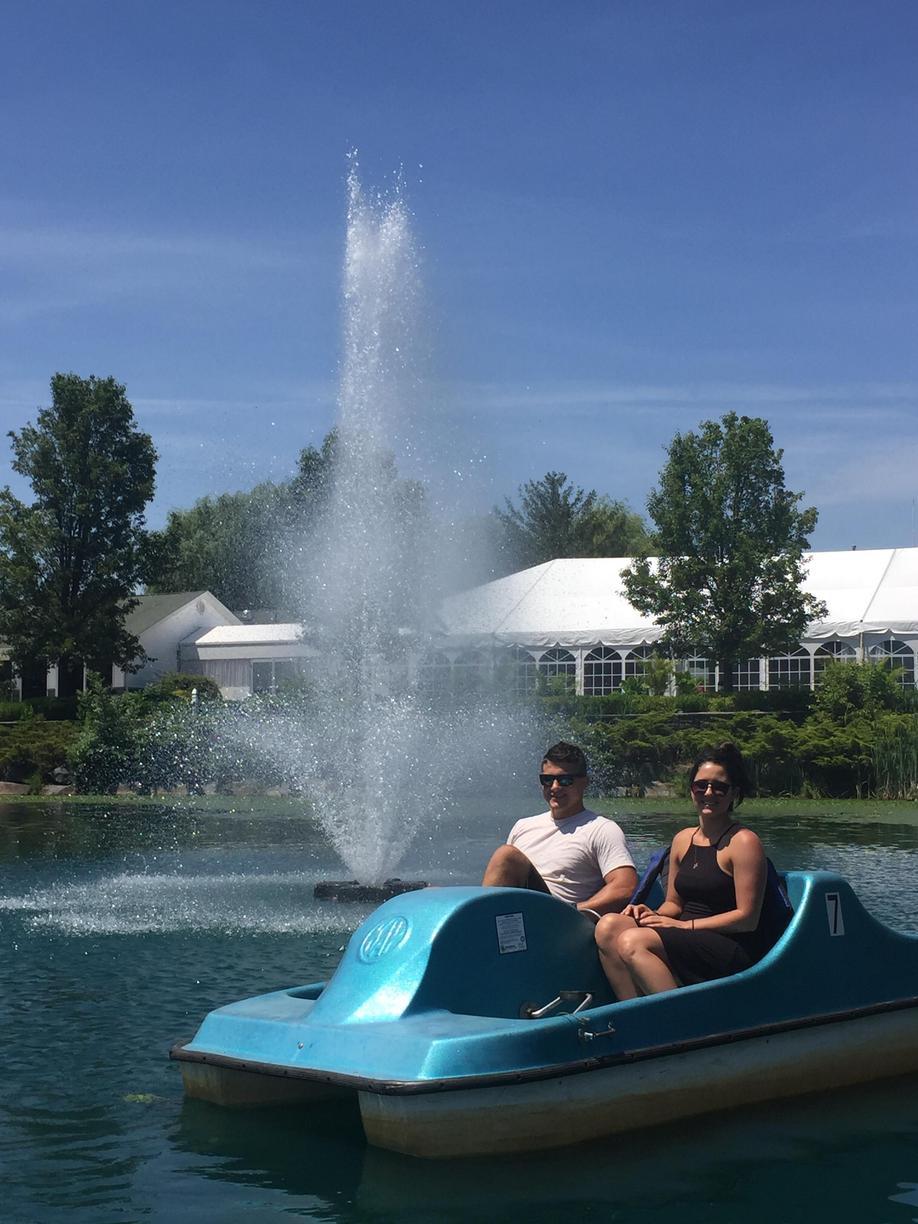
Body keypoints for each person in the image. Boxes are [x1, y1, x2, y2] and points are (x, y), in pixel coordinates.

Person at [594, 742, 776, 998]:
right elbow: (674, 905)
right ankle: (634, 1014)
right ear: (691, 790)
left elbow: (746, 919)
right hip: (685, 932)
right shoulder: (683, 839)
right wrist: (652, 914)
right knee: (608, 926)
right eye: (701, 785)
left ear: (734, 793)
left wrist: (683, 926)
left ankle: (679, 1019)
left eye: (719, 787)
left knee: (633, 941)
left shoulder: (743, 842)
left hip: (729, 943)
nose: (709, 793)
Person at [481, 741, 637, 916]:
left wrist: (574, 911)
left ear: (584, 782)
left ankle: (479, 926)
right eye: (547, 780)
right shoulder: (522, 826)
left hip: (563, 921)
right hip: (522, 917)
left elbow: (624, 887)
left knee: (505, 856)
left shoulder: (602, 829)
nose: (554, 787)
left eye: (565, 780)